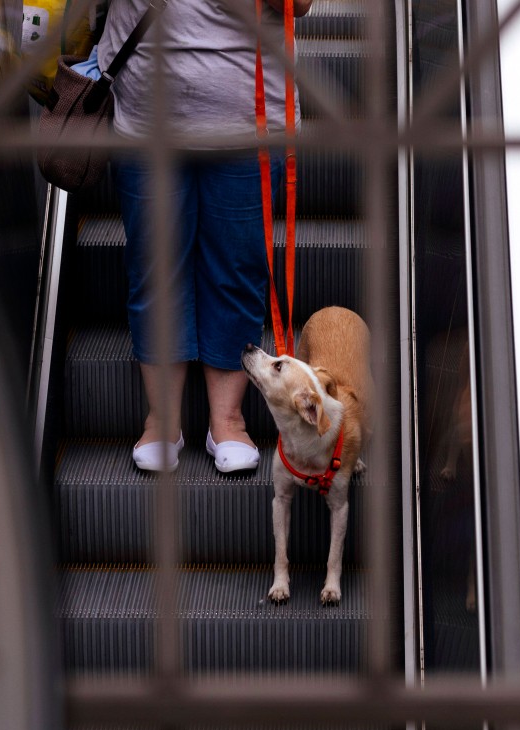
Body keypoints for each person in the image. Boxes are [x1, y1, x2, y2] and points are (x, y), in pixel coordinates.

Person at [97, 0, 313, 473]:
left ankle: (228, 420)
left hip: (251, 119)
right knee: (154, 267)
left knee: (238, 266)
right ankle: (162, 419)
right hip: (145, 113)